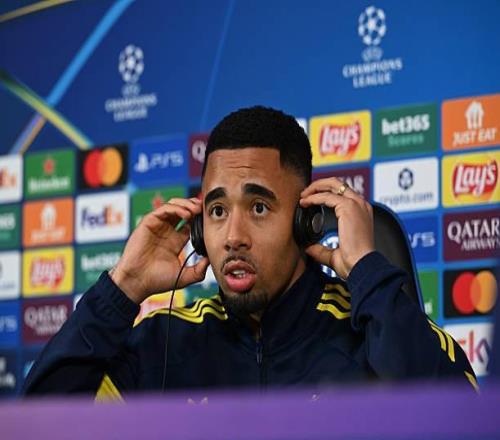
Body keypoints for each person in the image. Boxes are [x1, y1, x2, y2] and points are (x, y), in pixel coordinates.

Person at [23, 106, 477, 399]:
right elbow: (40, 427)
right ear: (198, 228)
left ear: (306, 220)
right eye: (217, 211)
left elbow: (459, 421)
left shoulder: (373, 331)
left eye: (259, 207)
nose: (232, 236)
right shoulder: (161, 344)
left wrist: (368, 277)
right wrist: (122, 289)